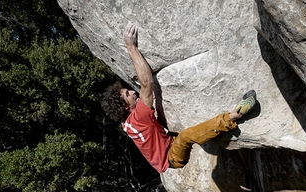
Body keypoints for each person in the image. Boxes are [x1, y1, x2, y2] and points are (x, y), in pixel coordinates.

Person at [101, 22, 257, 174]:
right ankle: (233, 117)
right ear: (126, 107)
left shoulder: (126, 122)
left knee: (182, 134)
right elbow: (146, 83)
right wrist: (131, 47)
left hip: (169, 144)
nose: (133, 92)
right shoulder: (139, 118)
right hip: (172, 158)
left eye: (128, 90)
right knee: (186, 136)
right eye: (128, 95)